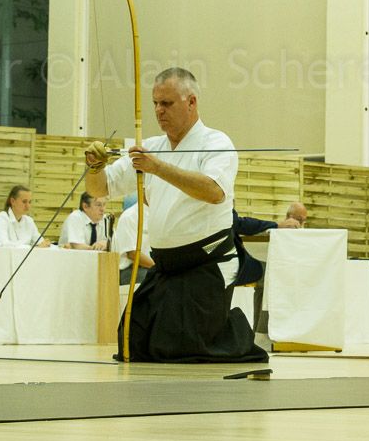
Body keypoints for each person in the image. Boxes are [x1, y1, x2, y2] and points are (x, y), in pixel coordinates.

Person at [85, 67, 266, 363]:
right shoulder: (152, 148)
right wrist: (95, 166)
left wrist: (157, 167)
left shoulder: (215, 142)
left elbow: (213, 191)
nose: (159, 110)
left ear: (191, 102)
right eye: (156, 103)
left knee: (182, 345)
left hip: (206, 264)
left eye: (167, 103)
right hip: (166, 266)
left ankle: (235, 332)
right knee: (133, 339)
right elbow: (101, 188)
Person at [111, 194, 153, 286]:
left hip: (152, 268)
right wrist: (157, 268)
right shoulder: (129, 216)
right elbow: (132, 254)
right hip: (132, 270)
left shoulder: (157, 215)